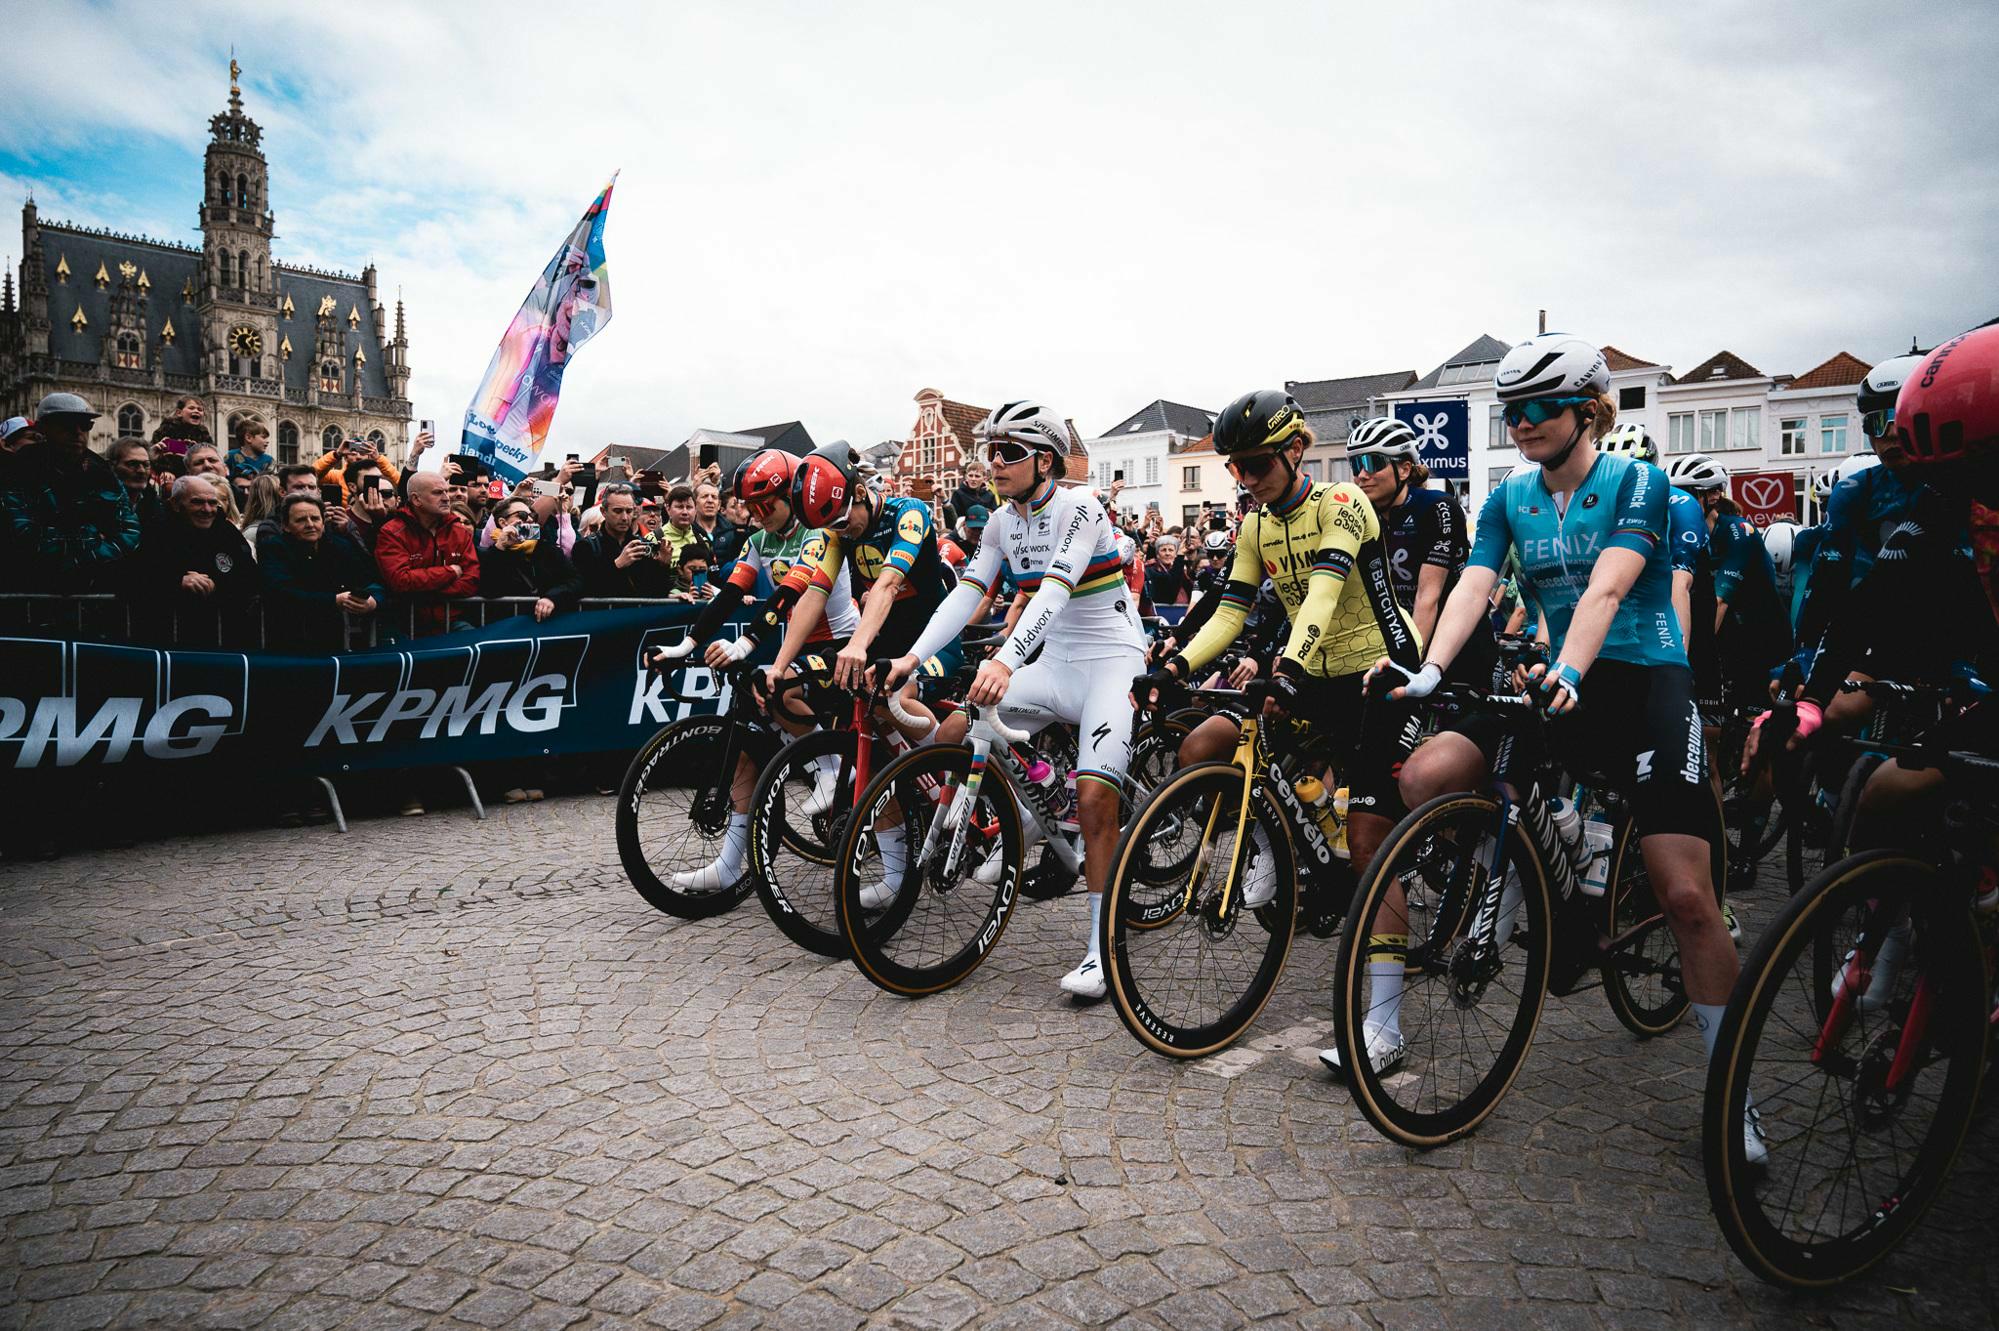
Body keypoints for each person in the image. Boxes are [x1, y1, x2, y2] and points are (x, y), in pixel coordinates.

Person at [1370, 334, 1739, 1146]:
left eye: (1539, 407)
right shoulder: (1508, 496)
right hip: (1559, 677)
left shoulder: (1637, 482)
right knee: (1428, 774)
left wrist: (1571, 665)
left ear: (1587, 409)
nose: (1521, 423)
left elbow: (1608, 586)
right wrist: (1430, 668)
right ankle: (1544, 863)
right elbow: (1474, 583)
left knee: (1684, 896)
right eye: (1511, 411)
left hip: (1642, 680)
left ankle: (1730, 1088)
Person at [1132, 392, 1423, 1020]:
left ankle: (1384, 1020)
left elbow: (1322, 594)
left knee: (1370, 845)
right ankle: (1276, 848)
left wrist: (1285, 669)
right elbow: (1229, 612)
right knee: (1210, 744)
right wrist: (1175, 666)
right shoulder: (1256, 525)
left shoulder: (1342, 503)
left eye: (1257, 464)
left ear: (1295, 451)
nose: (1246, 478)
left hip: (1381, 669)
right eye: (1235, 467)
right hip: (1314, 669)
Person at [884, 400, 1148, 999]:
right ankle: (1025, 813)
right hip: (1055, 665)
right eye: (990, 451)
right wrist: (911, 659)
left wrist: (1004, 661)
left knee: (1094, 798)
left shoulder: (1080, 506)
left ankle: (1100, 951)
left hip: (1112, 662)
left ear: (1045, 461)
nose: (995, 462)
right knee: (959, 729)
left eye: (1009, 452)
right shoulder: (1002, 522)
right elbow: (966, 593)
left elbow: (1053, 592)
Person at [647, 449, 867, 889]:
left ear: (791, 496)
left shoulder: (818, 531)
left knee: (779, 690)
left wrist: (745, 643)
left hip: (840, 645)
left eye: (766, 505)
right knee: (747, 739)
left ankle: (828, 768)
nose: (758, 515)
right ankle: (730, 865)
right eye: (751, 507)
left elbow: (787, 595)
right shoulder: (760, 540)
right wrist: (685, 645)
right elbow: (729, 595)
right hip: (797, 645)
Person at [1346, 416, 1484, 653]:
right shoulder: (1363, 516)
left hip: (1458, 642)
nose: (1362, 475)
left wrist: (1409, 662)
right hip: (1402, 636)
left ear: (1404, 469)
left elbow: (1427, 597)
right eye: (1357, 465)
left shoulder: (1438, 507)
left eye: (1373, 462)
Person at [1666, 454, 1790, 704]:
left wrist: (1680, 659)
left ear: (1713, 495)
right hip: (1728, 638)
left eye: (1686, 495)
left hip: (1762, 639)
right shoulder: (1682, 534)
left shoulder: (1739, 531)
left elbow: (1720, 602)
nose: (1677, 503)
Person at [0, 393, 140, 594]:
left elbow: (129, 530)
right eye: (67, 424)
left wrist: (88, 556)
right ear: (43, 428)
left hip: (95, 586)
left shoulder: (103, 474)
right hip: (33, 587)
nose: (77, 432)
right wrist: (92, 541)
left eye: (85, 425)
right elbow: (21, 531)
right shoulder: (17, 472)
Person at [137, 475, 258, 646]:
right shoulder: (156, 531)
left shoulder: (226, 531)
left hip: (224, 639)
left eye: (212, 503)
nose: (207, 509)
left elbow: (251, 576)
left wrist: (217, 583)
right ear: (175, 503)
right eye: (197, 502)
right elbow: (137, 576)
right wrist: (177, 581)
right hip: (167, 639)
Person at [259, 493, 383, 654]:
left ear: (323, 522)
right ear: (286, 526)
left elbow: (369, 579)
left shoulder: (339, 546)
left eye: (315, 518)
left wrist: (373, 601)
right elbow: (281, 592)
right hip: (289, 640)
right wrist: (334, 600)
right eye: (301, 520)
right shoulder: (273, 548)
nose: (310, 525)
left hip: (335, 640)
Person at [374, 471, 480, 636]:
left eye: (446, 491)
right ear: (416, 499)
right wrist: (450, 572)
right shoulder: (392, 532)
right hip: (405, 626)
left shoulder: (458, 531)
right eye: (438, 493)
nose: (446, 498)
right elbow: (400, 581)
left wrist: (424, 592)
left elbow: (471, 581)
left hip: (450, 623)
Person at [478, 496, 582, 623]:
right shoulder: (490, 554)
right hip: (508, 626)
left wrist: (552, 598)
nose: (530, 519)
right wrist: (500, 548)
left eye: (532, 515)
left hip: (545, 625)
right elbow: (489, 590)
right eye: (522, 515)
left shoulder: (547, 549)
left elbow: (575, 580)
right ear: (503, 522)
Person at [572, 484, 675, 598]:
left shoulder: (644, 545)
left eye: (629, 511)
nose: (624, 517)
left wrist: (663, 566)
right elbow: (584, 589)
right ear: (603, 511)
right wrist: (617, 564)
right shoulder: (586, 546)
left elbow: (655, 592)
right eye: (618, 511)